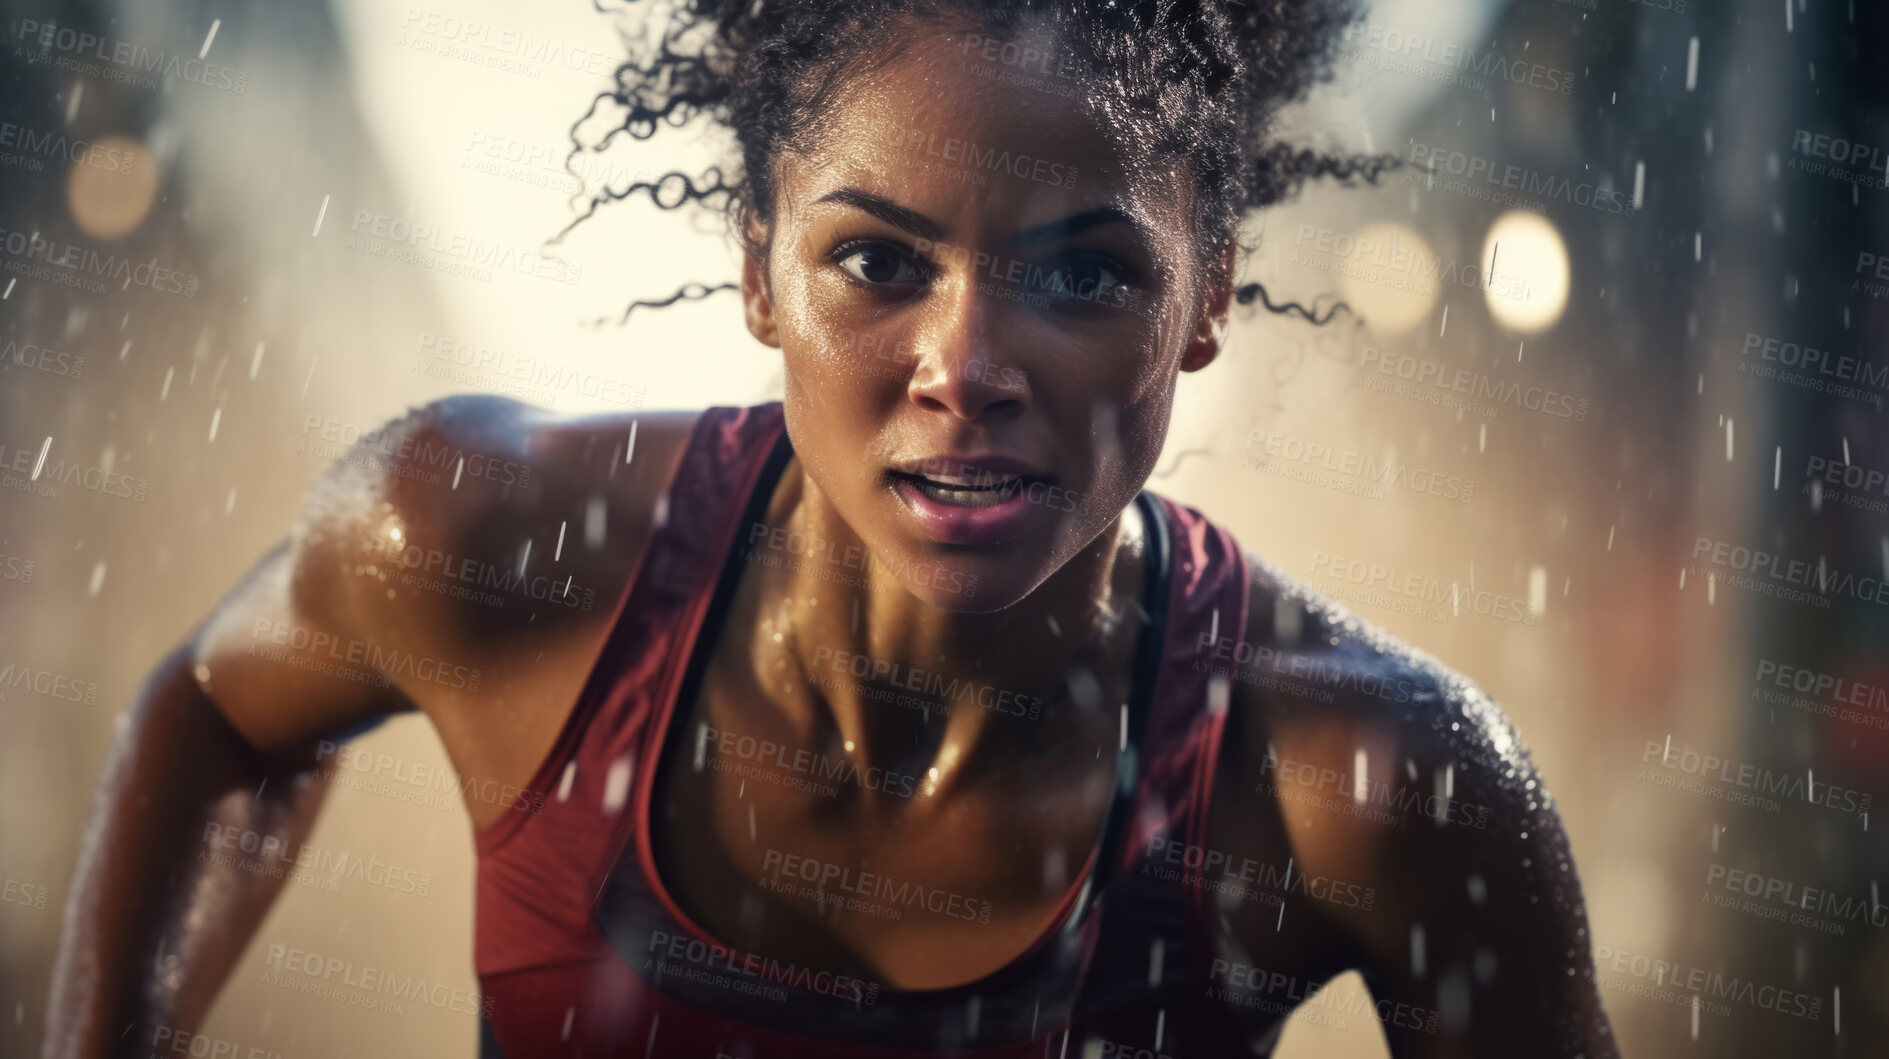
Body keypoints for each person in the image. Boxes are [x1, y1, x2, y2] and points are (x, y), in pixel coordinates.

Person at [44, 1, 1619, 1056]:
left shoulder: (1366, 784)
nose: (966, 369)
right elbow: (213, 716)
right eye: (877, 262)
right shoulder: (480, 539)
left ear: (1205, 297)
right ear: (756, 268)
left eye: (1082, 275)